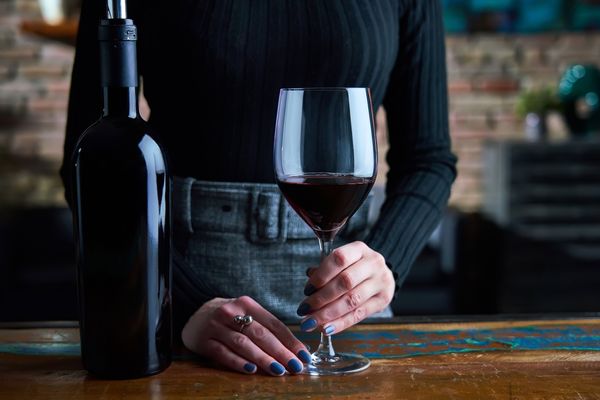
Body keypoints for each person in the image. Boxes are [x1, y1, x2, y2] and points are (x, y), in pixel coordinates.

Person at [61, 0, 457, 376]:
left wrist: (384, 262)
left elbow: (428, 160)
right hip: (183, 308)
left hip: (353, 311)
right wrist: (185, 301)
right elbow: (91, 166)